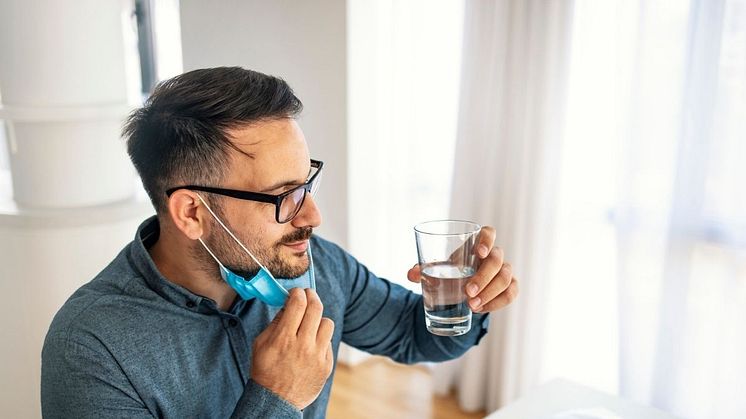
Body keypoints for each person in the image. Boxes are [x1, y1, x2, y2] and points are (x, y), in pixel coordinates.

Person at [41, 67, 519, 418]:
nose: (312, 216)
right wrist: (277, 399)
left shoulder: (316, 265)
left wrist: (460, 297)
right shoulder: (90, 349)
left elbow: (414, 335)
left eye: (306, 184)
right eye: (282, 197)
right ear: (192, 213)